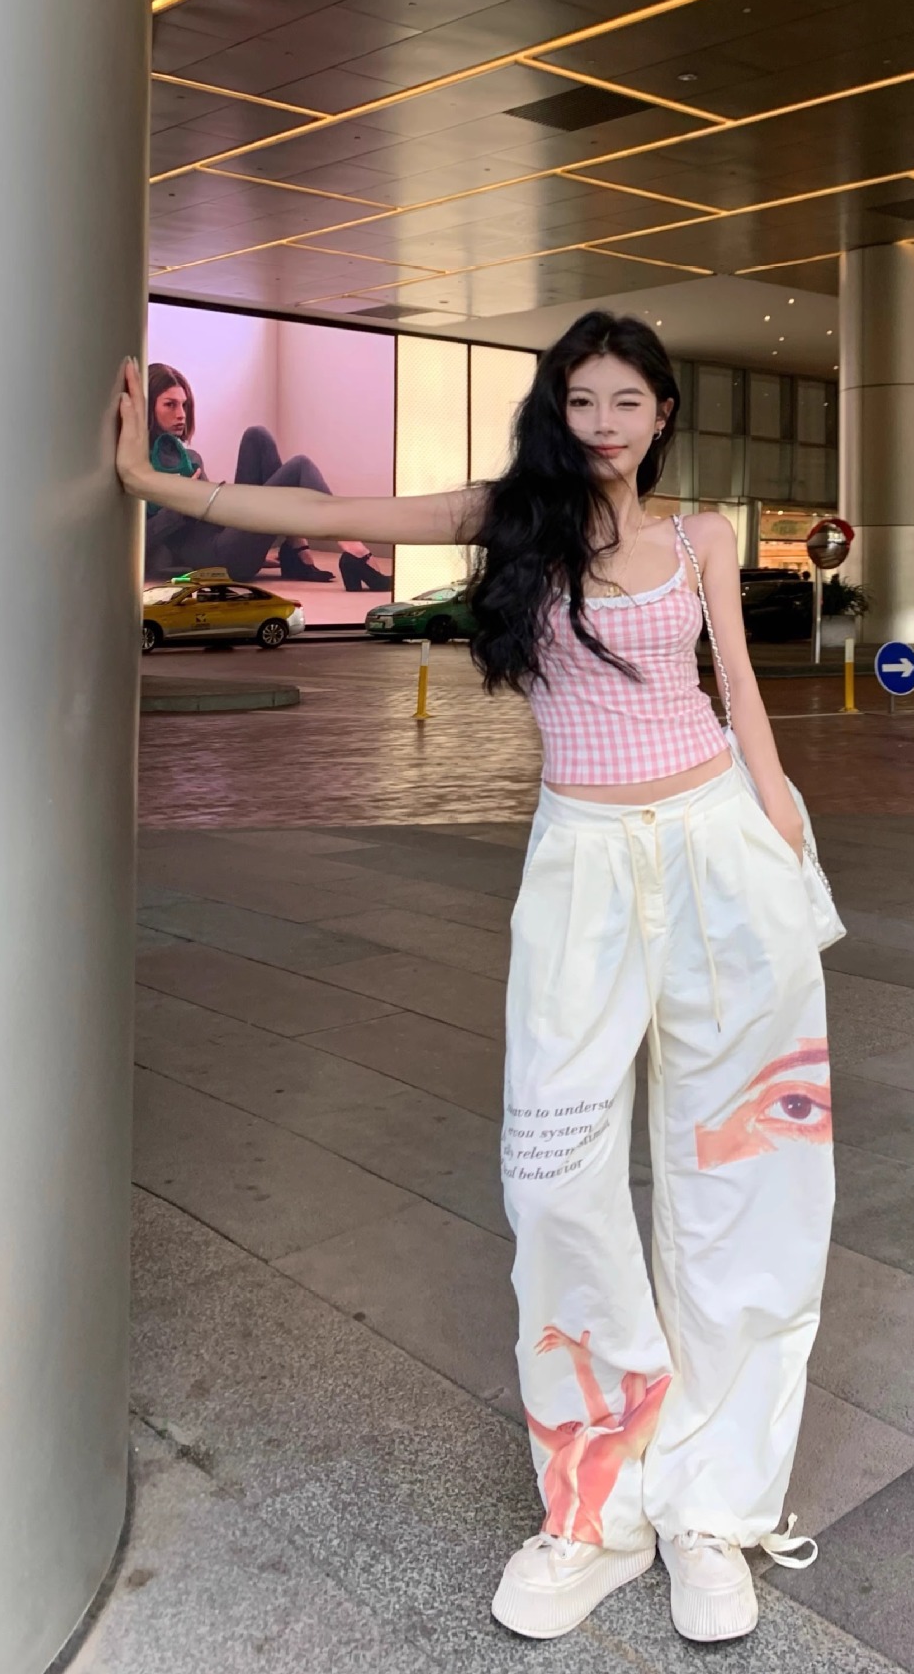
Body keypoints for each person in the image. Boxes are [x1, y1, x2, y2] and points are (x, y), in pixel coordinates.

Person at [116, 311, 833, 1645]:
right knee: (554, 1177)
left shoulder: (704, 536)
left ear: (663, 415)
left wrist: (785, 834)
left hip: (721, 851)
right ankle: (599, 1508)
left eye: (628, 402)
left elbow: (739, 692)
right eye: (583, 400)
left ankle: (712, 1506)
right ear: (557, 408)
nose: (604, 424)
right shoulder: (511, 519)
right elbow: (338, 508)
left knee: (747, 1176)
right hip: (583, 868)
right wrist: (167, 487)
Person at [144, 361, 390, 590]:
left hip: (228, 541)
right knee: (299, 466)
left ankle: (295, 548)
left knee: (257, 436)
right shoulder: (140, 469)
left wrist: (250, 541)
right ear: (148, 408)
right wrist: (180, 505)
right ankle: (355, 551)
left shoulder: (191, 458)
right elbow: (142, 542)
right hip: (221, 560)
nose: (181, 414)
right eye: (170, 405)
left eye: (184, 405)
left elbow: (213, 517)